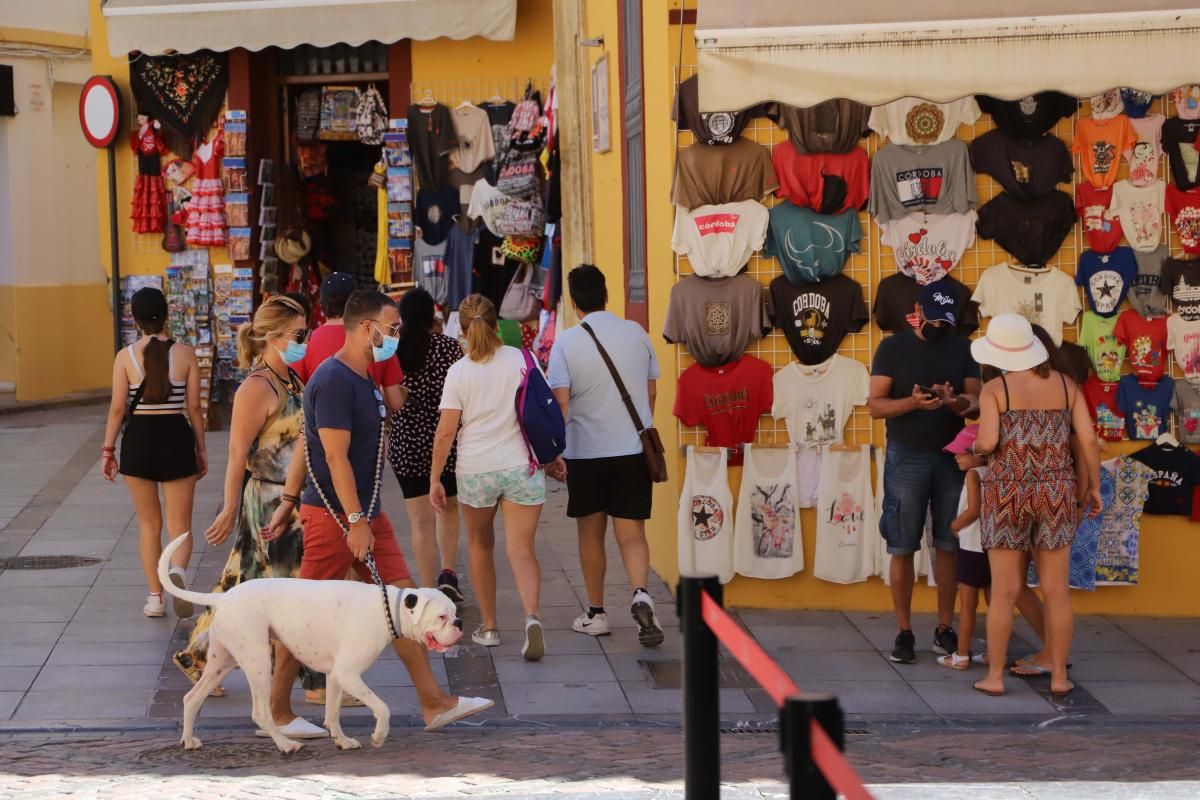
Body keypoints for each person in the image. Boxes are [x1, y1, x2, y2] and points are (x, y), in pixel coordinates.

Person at [264, 290, 491, 733]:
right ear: (367, 328)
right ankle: (276, 712)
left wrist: (308, 506)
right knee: (302, 617)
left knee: (404, 608)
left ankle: (434, 702)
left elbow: (310, 448)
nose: (397, 335)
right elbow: (332, 457)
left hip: (366, 515)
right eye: (392, 328)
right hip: (337, 518)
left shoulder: (363, 376)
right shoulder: (332, 381)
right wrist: (352, 520)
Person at [171, 296, 331, 719]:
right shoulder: (255, 388)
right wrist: (227, 507)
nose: (305, 340)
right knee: (289, 589)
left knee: (241, 582)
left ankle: (200, 657)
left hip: (295, 498)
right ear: (274, 337)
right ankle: (311, 682)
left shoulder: (293, 379)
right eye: (299, 334)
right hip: (267, 500)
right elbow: (238, 452)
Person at [970, 313, 1101, 698]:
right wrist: (1091, 485)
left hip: (1007, 492)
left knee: (1005, 590)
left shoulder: (995, 389)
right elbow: (1089, 440)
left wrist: (977, 446)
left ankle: (994, 677)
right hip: (1056, 490)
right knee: (1056, 590)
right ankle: (1059, 676)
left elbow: (989, 442)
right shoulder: (1066, 385)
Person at [429, 294, 562, 660]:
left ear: (464, 329)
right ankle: (532, 616)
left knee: (479, 546)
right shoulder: (523, 359)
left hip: (476, 471)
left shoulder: (458, 372)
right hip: (521, 466)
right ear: (496, 321)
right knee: (521, 549)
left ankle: (489, 627)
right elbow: (543, 411)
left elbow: (445, 433)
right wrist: (553, 457)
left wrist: (435, 477)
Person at [546, 264, 664, 646]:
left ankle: (596, 613)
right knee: (631, 533)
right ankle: (642, 593)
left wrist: (554, 451)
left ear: (575, 301)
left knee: (591, 533)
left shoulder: (566, 343)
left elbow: (561, 403)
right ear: (606, 295)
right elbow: (650, 395)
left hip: (586, 453)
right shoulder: (636, 333)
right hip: (631, 449)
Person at [869, 279, 981, 664]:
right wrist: (912, 403)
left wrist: (953, 401)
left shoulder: (963, 347)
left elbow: (975, 404)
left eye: (946, 323)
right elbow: (876, 406)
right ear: (919, 311)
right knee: (902, 544)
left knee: (949, 545)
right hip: (907, 454)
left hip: (953, 459)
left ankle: (944, 628)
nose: (940, 329)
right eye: (935, 321)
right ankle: (903, 632)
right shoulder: (892, 348)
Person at [101, 288, 207, 618]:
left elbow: (118, 408)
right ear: (167, 315)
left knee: (149, 524)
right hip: (176, 437)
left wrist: (108, 449)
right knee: (181, 525)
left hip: (139, 440)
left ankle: (155, 598)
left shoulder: (125, 357)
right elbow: (193, 408)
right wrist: (200, 449)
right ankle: (177, 574)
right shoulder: (186, 354)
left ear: (135, 319)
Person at [389, 287, 464, 598]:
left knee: (419, 522)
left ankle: (427, 588)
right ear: (432, 314)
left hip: (406, 445)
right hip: (445, 443)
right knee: (447, 509)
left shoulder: (393, 351)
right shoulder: (449, 349)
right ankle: (448, 572)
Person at [294, 272, 406, 412]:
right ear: (357, 304)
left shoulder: (305, 344)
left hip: (321, 428)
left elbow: (295, 399)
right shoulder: (378, 339)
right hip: (367, 427)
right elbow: (395, 402)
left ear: (322, 305)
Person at [939, 425, 988, 670]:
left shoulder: (974, 475)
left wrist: (954, 525)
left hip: (972, 547)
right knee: (995, 601)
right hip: (993, 547)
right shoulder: (996, 471)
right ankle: (993, 652)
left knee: (968, 603)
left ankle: (961, 655)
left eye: (962, 452)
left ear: (978, 452)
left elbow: (974, 510)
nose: (957, 456)